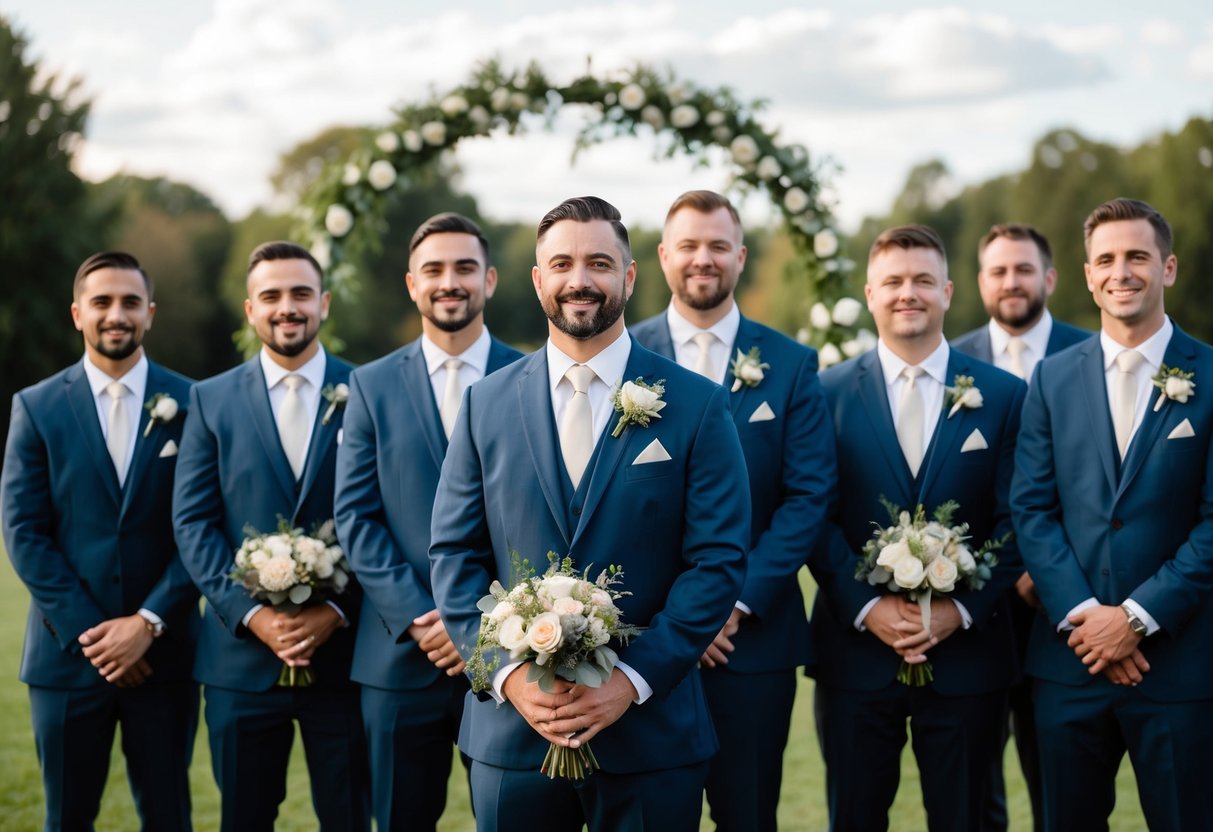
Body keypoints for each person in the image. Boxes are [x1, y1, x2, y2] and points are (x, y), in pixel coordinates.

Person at [428, 196, 750, 832]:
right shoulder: (485, 405)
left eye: (599, 263)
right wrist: (511, 677)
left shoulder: (698, 405)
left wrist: (628, 681)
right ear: (538, 279)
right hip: (513, 738)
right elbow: (454, 555)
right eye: (563, 264)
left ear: (628, 277)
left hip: (650, 738)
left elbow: (717, 561)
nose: (580, 280)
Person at [630, 189, 836, 831]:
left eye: (718, 245)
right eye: (688, 246)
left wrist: (732, 602)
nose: (703, 259)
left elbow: (808, 496)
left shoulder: (792, 364)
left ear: (740, 256)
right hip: (642, 639)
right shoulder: (621, 359)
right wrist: (681, 618)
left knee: (749, 815)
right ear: (663, 257)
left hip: (751, 643)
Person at [808, 225, 1026, 831]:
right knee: (853, 817)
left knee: (968, 819)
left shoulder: (1005, 395)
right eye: (895, 282)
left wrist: (961, 611)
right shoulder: (823, 395)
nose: (910, 293)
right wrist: (864, 606)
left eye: (924, 281)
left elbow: (1017, 521)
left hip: (969, 656)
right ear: (871, 293)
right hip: (855, 654)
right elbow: (812, 514)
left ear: (949, 292)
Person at [1012, 198, 1213, 830]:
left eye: (1137, 257)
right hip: (1071, 664)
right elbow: (1032, 509)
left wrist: (1138, 618)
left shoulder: (1211, 374)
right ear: (1087, 273)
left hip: (1180, 665)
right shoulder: (1050, 379)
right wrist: (1087, 619)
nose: (1120, 271)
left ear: (1168, 268)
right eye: (1106, 259)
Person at [173, 242, 370, 831]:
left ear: (324, 303)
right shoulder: (208, 400)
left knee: (349, 816)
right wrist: (251, 615)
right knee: (245, 816)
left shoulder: (368, 390)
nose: (288, 307)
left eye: (301, 294)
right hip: (239, 661)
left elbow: (383, 515)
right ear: (250, 309)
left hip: (345, 657)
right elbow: (193, 521)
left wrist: (336, 608)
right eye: (272, 296)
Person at [335, 213, 522, 831]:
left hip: (510, 656)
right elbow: (356, 516)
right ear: (411, 284)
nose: (451, 282)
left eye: (465, 268)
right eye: (434, 270)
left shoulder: (533, 379)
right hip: (399, 659)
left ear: (489, 279)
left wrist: (480, 623)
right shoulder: (370, 386)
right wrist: (422, 616)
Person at [1, 251, 199, 831]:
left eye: (130, 302)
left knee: (169, 816)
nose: (117, 314)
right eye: (103, 302)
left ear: (150, 313)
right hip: (66, 660)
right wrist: (98, 638)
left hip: (164, 657)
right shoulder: (35, 408)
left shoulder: (194, 403)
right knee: (67, 818)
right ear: (76, 313)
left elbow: (199, 527)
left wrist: (148, 623)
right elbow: (24, 531)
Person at [950, 222, 1089, 831]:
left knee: (1059, 779)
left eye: (1024, 269)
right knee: (975, 780)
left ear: (1049, 279)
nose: (1011, 282)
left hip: (1064, 605)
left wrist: (1046, 575)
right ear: (979, 283)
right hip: (974, 605)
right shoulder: (952, 360)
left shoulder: (1090, 354)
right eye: (998, 271)